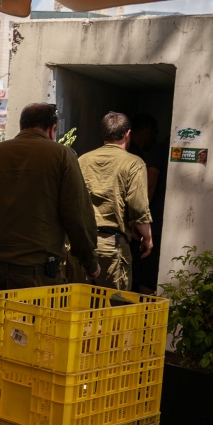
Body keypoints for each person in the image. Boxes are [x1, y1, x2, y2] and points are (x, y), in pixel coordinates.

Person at [0, 102, 99, 292]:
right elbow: (77, 216)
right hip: (40, 279)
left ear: (23, 126)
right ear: (53, 129)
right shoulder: (63, 156)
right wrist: (90, 263)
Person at [78, 112, 154, 291]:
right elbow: (138, 206)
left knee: (80, 307)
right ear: (128, 134)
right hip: (111, 247)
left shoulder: (82, 160)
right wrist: (147, 237)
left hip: (80, 245)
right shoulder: (134, 164)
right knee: (114, 309)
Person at [127, 113, 167, 294]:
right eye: (154, 133)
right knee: (146, 272)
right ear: (148, 130)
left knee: (142, 271)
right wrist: (141, 220)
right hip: (149, 224)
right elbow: (149, 184)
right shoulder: (147, 153)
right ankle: (144, 318)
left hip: (133, 225)